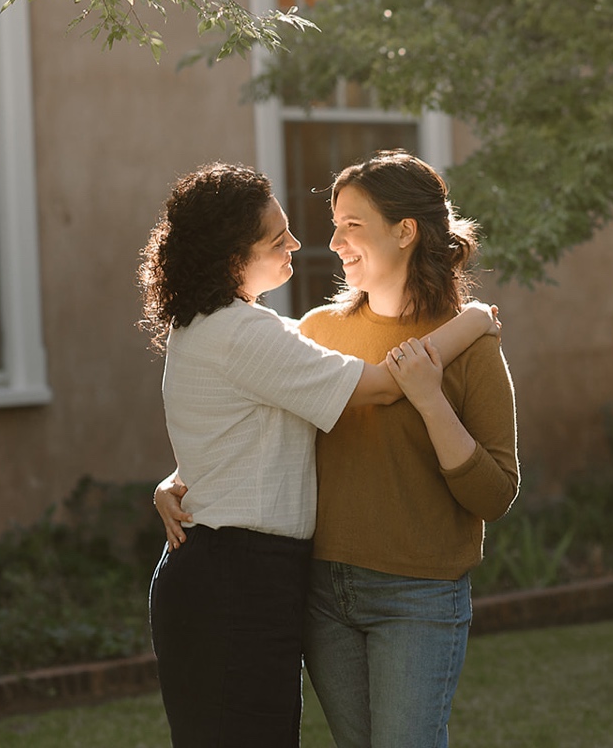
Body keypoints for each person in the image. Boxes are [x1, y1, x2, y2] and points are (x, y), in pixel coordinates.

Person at [138, 161, 497, 748]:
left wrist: (179, 478)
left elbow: (239, 427)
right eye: (277, 237)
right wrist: (475, 320)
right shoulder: (249, 332)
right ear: (233, 254)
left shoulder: (210, 325)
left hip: (234, 571)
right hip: (238, 577)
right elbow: (382, 385)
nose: (299, 244)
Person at [299, 150, 519, 748]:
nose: (335, 240)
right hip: (322, 589)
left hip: (418, 595)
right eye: (336, 223)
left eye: (353, 224)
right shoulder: (317, 332)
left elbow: (495, 493)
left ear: (405, 231)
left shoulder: (474, 346)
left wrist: (431, 401)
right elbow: (257, 421)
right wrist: (181, 476)